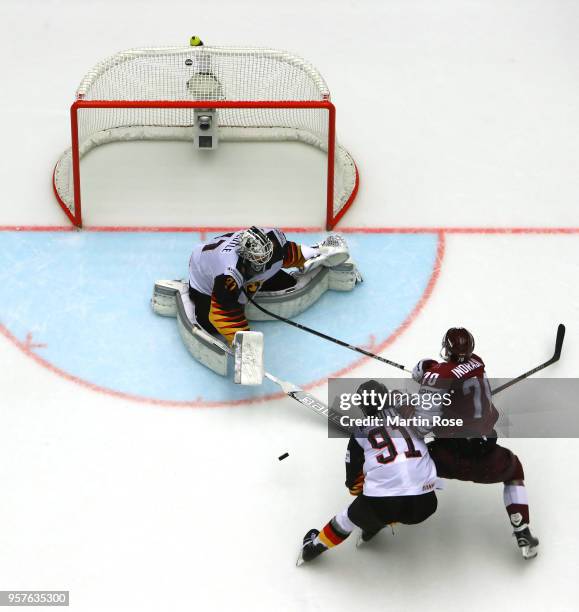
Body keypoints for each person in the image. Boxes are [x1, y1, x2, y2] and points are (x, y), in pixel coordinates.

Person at [412, 327, 539, 559]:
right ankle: (522, 530)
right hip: (484, 453)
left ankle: (378, 518)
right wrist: (428, 371)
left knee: (406, 463)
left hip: (448, 456)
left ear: (446, 348)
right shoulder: (478, 363)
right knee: (514, 471)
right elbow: (445, 372)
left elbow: (423, 424)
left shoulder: (438, 375)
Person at [298, 380, 438, 564]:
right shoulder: (411, 418)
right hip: (425, 504)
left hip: (384, 506)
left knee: (347, 519)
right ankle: (377, 521)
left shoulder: (359, 434)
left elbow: (353, 484)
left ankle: (312, 549)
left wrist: (368, 501)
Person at [188, 227, 347, 344]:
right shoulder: (227, 274)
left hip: (238, 264)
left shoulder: (270, 242)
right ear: (247, 257)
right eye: (259, 261)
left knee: (286, 282)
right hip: (204, 278)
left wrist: (316, 252)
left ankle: (317, 250)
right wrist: (245, 343)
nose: (267, 261)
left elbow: (287, 252)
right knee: (210, 325)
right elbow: (221, 314)